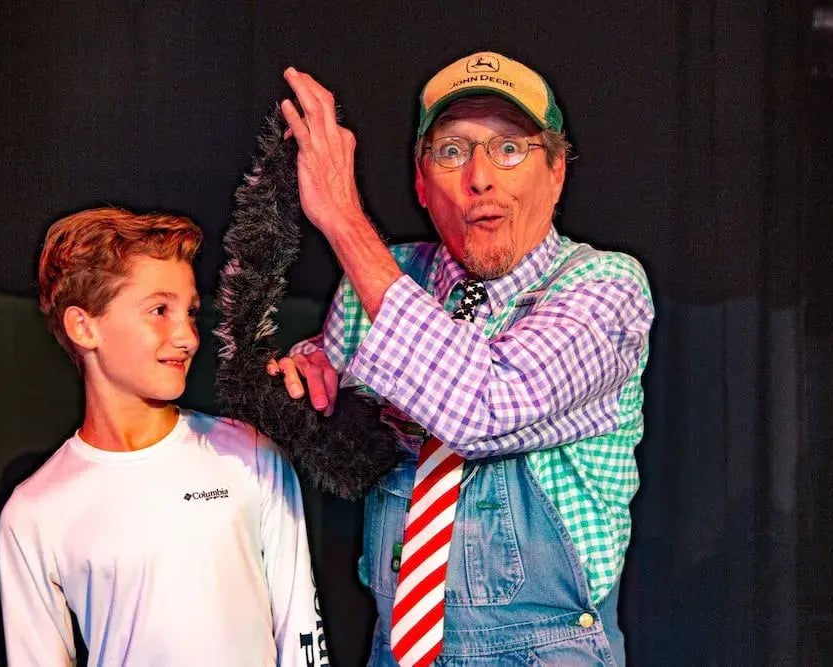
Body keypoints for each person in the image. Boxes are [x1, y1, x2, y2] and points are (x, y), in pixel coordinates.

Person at [272, 51, 654, 665]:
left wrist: (342, 218)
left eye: (510, 148)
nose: (481, 176)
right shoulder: (387, 277)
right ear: (421, 184)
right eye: (452, 150)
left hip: (543, 650)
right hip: (393, 648)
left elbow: (482, 405)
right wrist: (307, 364)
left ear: (555, 173)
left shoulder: (604, 289)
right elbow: (328, 396)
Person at [0, 207, 325, 666]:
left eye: (190, 311)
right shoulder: (34, 511)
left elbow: (302, 642)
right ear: (83, 326)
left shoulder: (248, 454)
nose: (188, 336)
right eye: (159, 310)